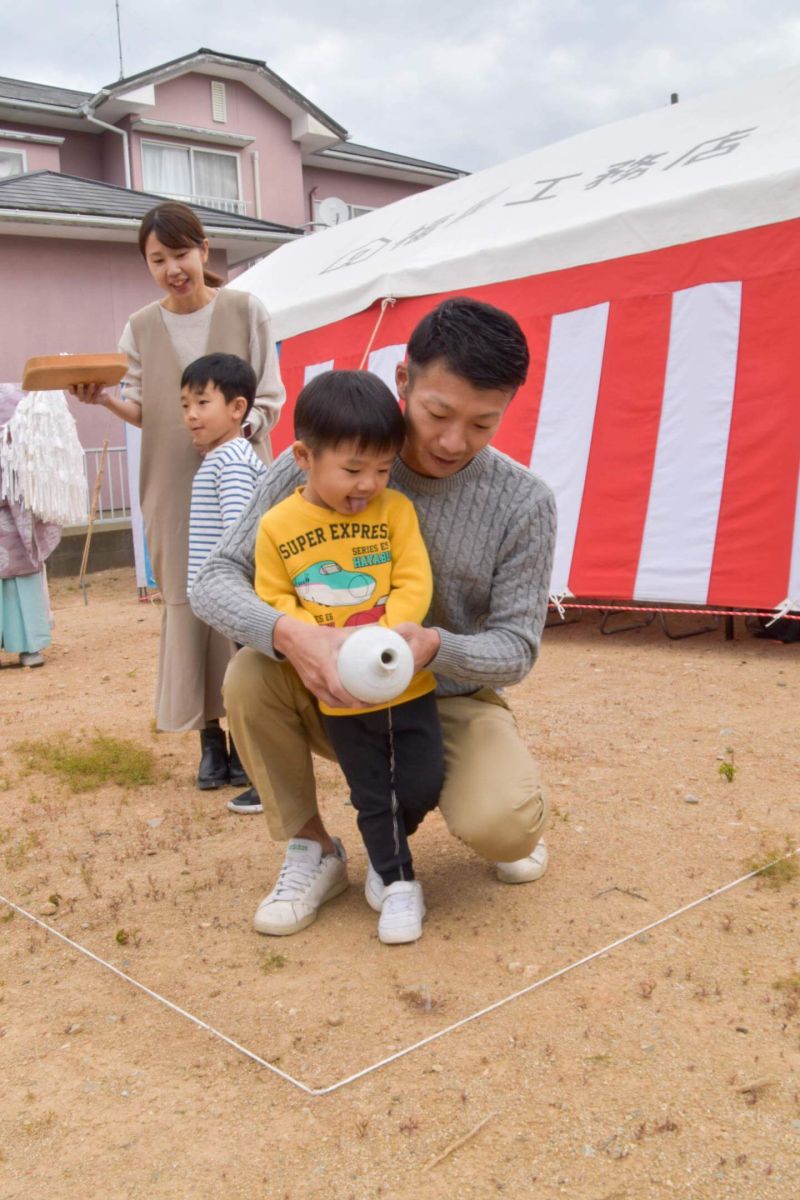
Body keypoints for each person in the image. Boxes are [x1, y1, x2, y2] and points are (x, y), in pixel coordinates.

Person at [191, 296, 557, 938]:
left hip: (448, 699)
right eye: (438, 413)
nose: (453, 441)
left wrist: (436, 644)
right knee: (250, 674)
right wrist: (290, 635)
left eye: (481, 423)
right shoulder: (319, 461)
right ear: (404, 382)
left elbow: (517, 648)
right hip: (333, 691)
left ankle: (489, 812)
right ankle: (313, 849)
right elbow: (215, 578)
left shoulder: (524, 502)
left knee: (504, 828)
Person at [72, 202, 284, 796]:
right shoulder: (139, 327)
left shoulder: (245, 309)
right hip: (169, 477)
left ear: (205, 249)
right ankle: (210, 741)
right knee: (187, 599)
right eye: (157, 259)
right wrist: (105, 401)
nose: (173, 269)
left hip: (240, 472)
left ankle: (249, 736)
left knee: (243, 591)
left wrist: (232, 437)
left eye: (181, 254)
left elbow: (269, 393)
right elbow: (143, 404)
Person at [253, 369, 444, 943]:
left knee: (421, 783)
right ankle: (397, 880)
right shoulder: (278, 525)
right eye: (353, 470)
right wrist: (323, 644)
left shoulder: (395, 511)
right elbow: (274, 596)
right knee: (371, 789)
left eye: (383, 469)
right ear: (304, 458)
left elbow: (414, 580)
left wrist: (382, 639)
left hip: (405, 682)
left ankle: (382, 850)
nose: (369, 484)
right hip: (337, 694)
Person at [182, 352, 268, 808]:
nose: (191, 415)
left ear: (237, 409)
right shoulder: (226, 455)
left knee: (249, 688)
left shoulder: (231, 461)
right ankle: (259, 775)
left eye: (201, 402)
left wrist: (226, 592)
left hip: (238, 599)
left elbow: (239, 533)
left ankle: (263, 780)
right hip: (231, 600)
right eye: (185, 405)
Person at [0, 385, 61, 668]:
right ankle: (29, 647)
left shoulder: (16, 399)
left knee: (22, 577)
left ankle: (31, 645)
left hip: (16, 514)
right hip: (13, 512)